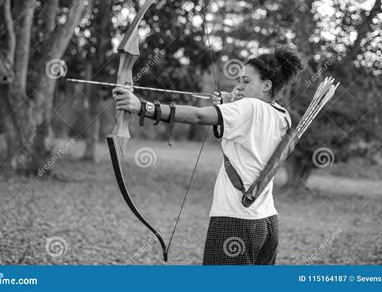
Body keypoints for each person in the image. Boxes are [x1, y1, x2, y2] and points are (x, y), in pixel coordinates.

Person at [113, 45, 305, 265]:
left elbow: (197, 116)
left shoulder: (248, 108)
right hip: (267, 224)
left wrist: (142, 107)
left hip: (235, 222)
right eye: (239, 81)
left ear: (266, 85)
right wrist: (229, 105)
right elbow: (247, 134)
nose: (238, 86)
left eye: (246, 81)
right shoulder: (283, 116)